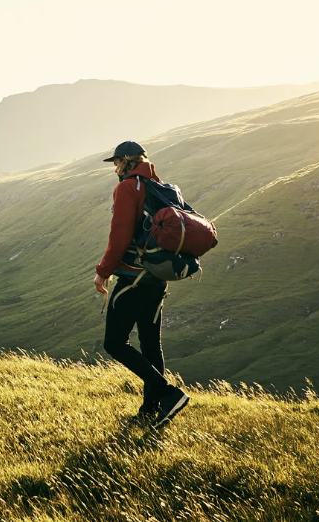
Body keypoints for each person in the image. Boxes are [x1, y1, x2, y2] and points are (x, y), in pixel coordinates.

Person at [95, 140, 190, 428]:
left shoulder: (128, 188)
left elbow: (120, 234)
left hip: (132, 279)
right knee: (150, 344)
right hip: (157, 278)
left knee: (114, 343)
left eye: (115, 161)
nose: (114, 166)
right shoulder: (160, 186)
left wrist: (103, 272)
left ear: (126, 160)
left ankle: (169, 394)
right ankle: (150, 411)